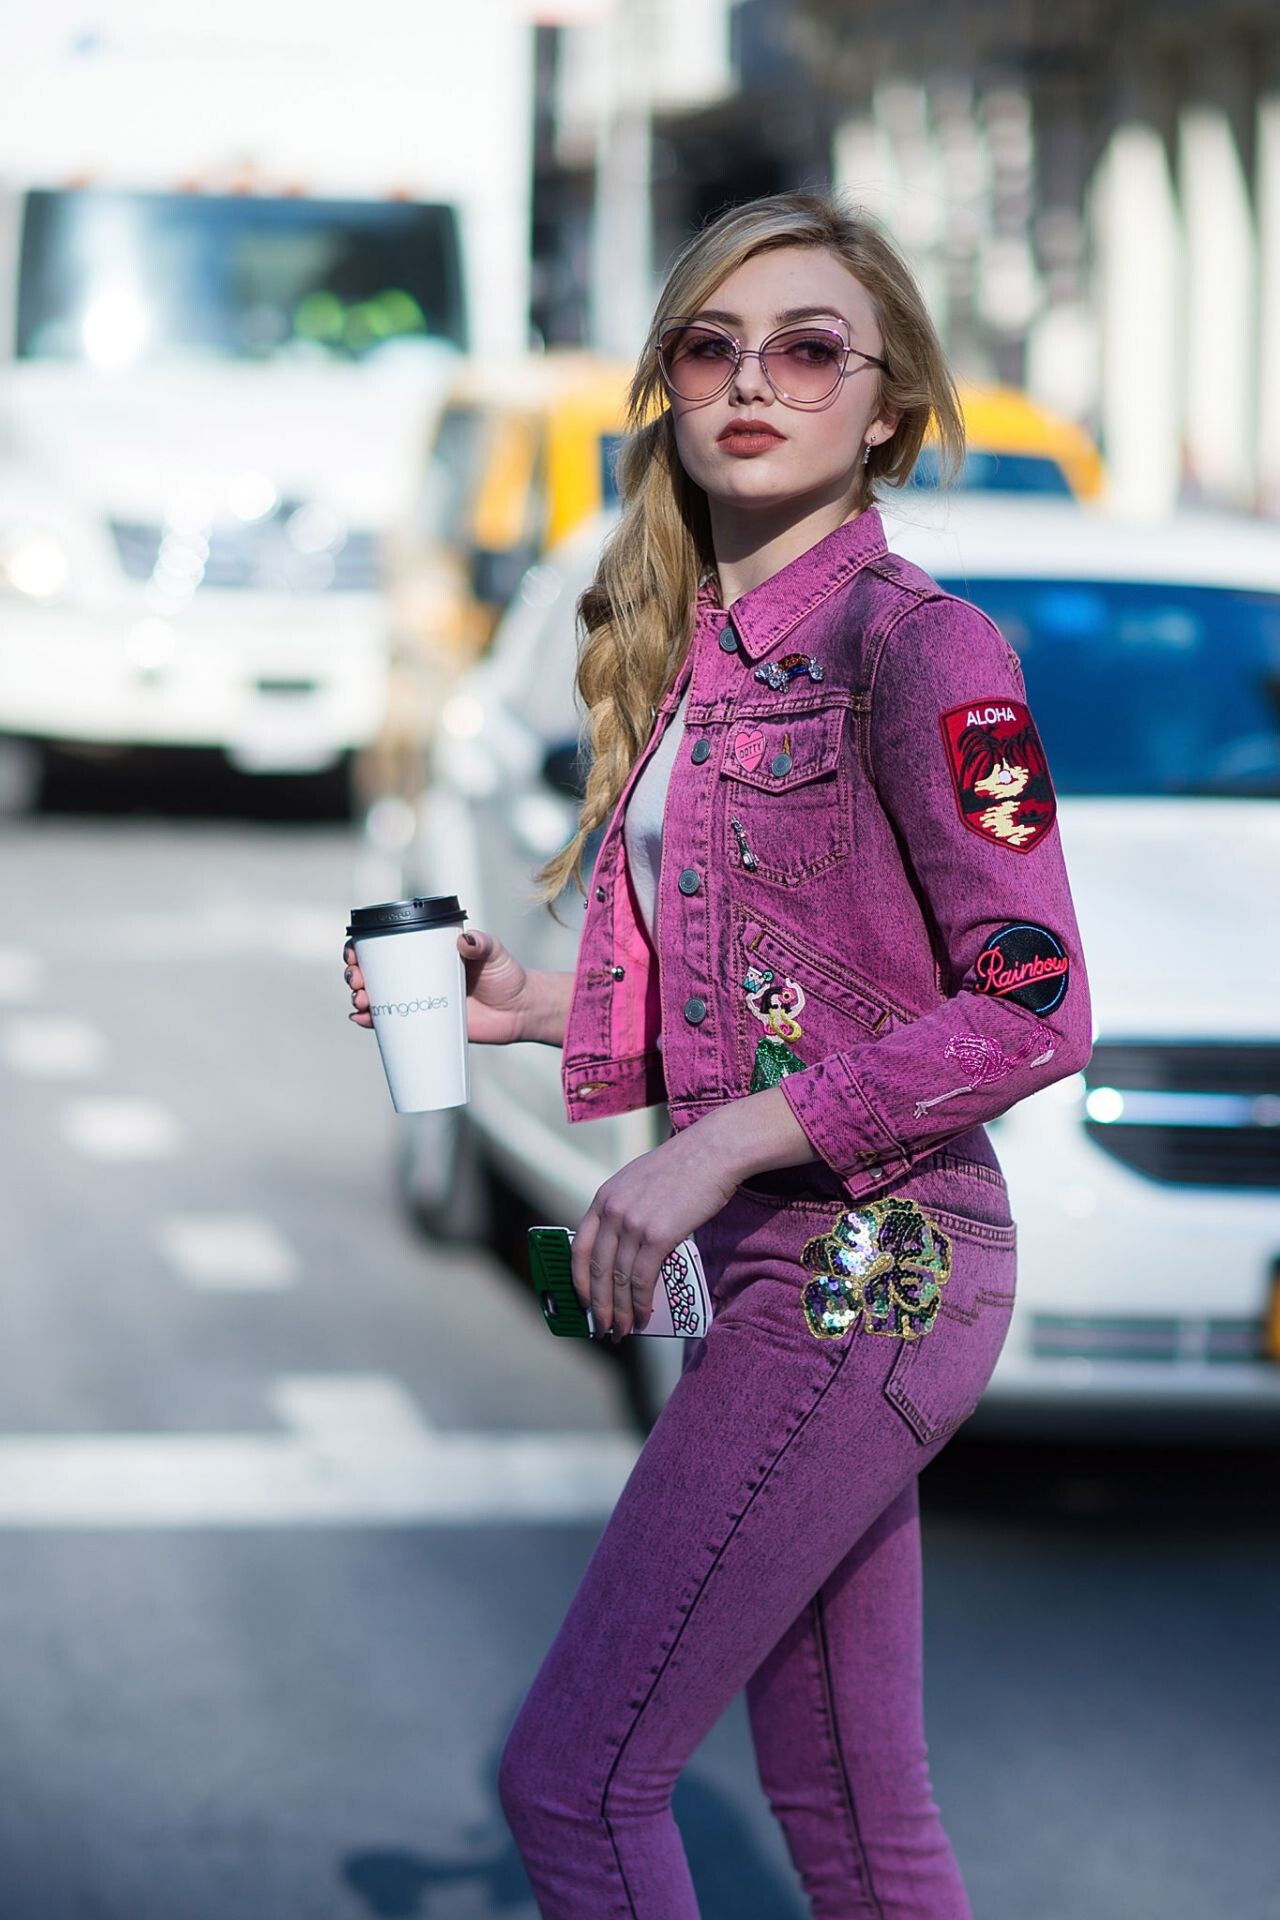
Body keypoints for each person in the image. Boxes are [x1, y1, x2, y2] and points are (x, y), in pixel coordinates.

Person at [343, 189, 1092, 1919]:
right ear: (669, 387)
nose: (755, 382)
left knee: (574, 1784)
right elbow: (791, 984)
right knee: (846, 1807)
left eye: (811, 350)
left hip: (871, 1267)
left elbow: (1034, 1001)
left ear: (887, 408)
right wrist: (535, 1002)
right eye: (713, 347)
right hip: (784, 1268)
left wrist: (718, 1144)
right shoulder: (701, 651)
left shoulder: (919, 647)